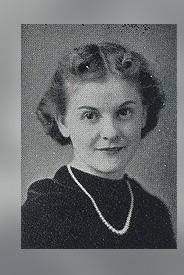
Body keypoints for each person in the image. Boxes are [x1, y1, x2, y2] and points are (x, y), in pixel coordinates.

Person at [21, 42, 176, 249]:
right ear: (63, 122)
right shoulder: (42, 212)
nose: (110, 133)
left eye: (124, 112)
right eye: (90, 115)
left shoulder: (154, 211)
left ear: (144, 116)